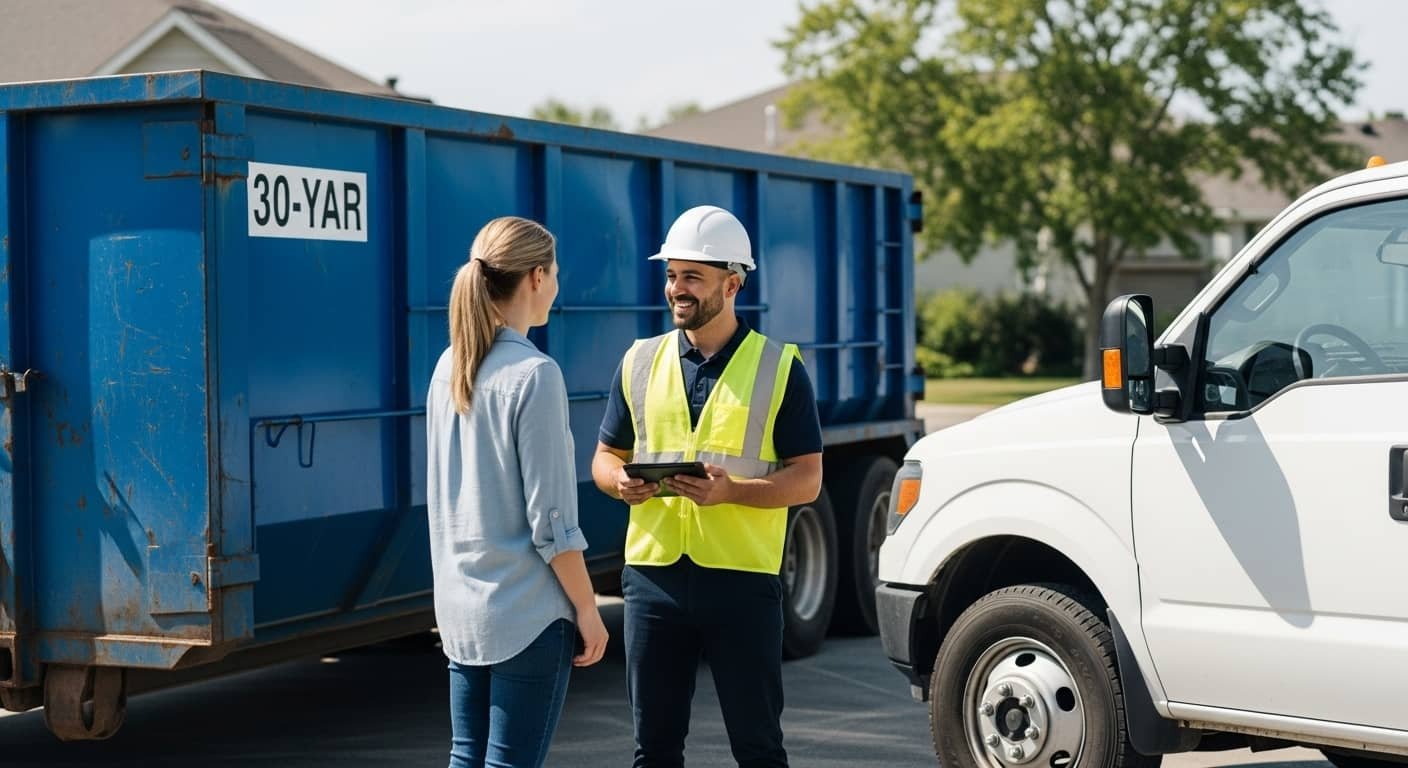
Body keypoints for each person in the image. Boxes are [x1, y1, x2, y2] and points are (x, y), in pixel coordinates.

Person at [591, 205, 824, 768]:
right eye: (672, 275)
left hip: (742, 581)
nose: (677, 289)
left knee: (758, 747)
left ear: (733, 282)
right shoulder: (639, 361)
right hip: (652, 582)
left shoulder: (779, 367)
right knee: (655, 750)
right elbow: (604, 457)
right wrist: (620, 483)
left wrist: (733, 492)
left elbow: (808, 479)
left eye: (692, 277)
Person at [426, 216, 609, 768]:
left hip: (460, 610)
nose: (557, 286)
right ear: (534, 277)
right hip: (526, 613)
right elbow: (551, 521)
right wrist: (587, 607)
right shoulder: (535, 374)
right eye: (554, 274)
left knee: (467, 757)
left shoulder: (448, 366)